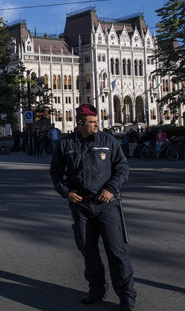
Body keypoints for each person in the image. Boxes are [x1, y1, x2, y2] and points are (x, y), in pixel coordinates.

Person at [50, 104, 136, 311]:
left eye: (97, 121)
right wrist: (66, 193)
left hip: (107, 204)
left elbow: (122, 168)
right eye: (92, 122)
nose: (97, 125)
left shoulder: (108, 141)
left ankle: (126, 297)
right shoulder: (65, 144)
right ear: (80, 123)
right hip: (81, 206)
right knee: (88, 251)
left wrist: (111, 188)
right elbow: (55, 172)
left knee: (117, 252)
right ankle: (96, 290)